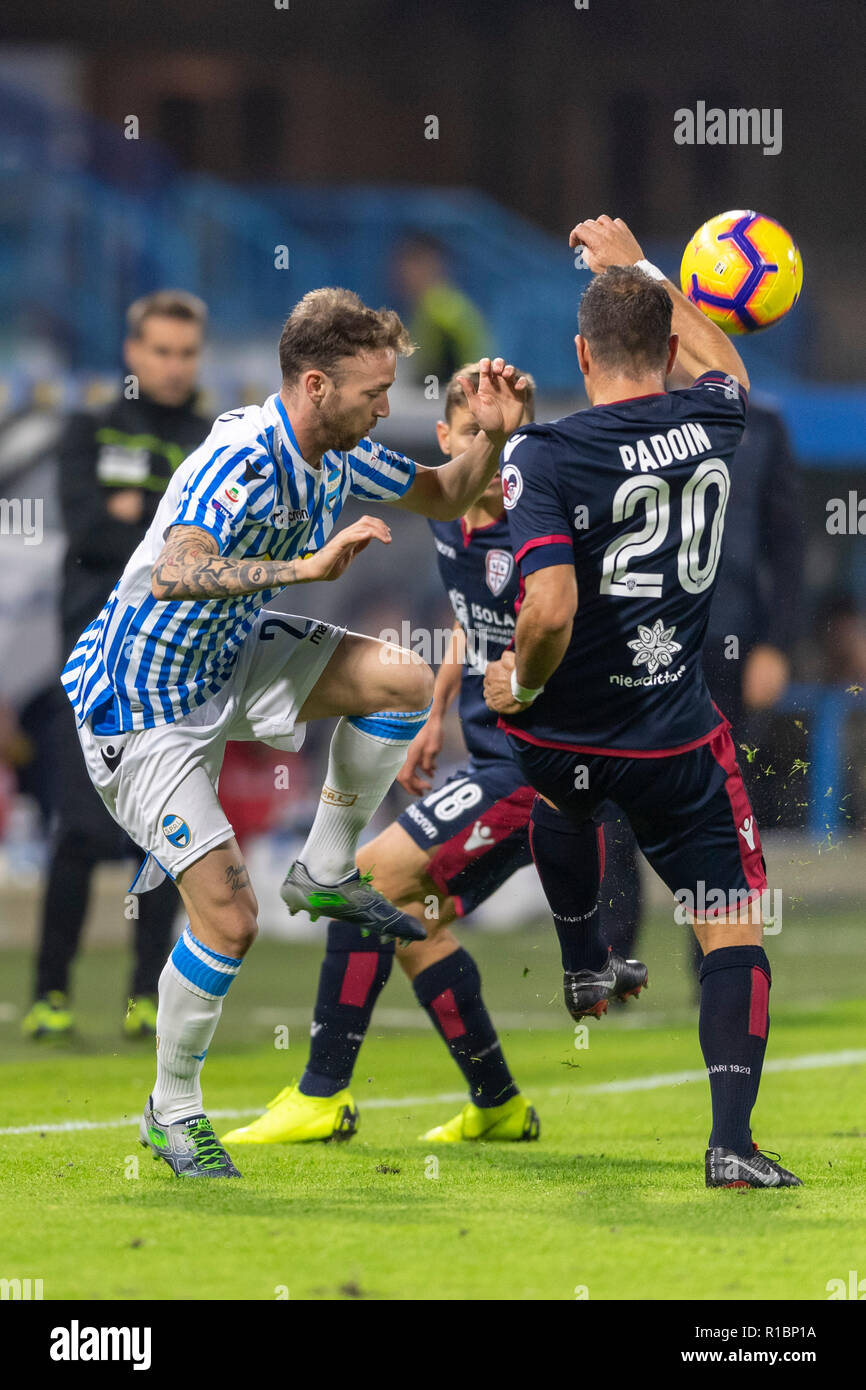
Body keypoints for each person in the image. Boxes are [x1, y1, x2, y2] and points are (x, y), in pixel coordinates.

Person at [61, 287, 528, 1177]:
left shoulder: (340, 450)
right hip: (140, 705)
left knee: (400, 676)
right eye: (373, 392)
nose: (388, 407)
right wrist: (303, 567)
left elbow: (442, 493)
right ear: (316, 385)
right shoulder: (239, 456)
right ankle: (173, 1110)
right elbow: (174, 570)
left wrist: (492, 439)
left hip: (228, 660)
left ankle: (323, 866)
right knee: (230, 921)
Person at [483, 215, 802, 1189]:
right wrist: (642, 269)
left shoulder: (542, 454)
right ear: (665, 346)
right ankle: (731, 1146)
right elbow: (724, 364)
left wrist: (519, 684)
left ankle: (583, 959)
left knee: (561, 797)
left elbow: (546, 606)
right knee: (728, 922)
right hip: (672, 734)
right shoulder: (716, 420)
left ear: (579, 352)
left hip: (564, 730)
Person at [223, 364, 581, 1149]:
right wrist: (440, 705)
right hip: (491, 755)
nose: (491, 452)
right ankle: (499, 1105)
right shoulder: (450, 516)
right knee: (411, 917)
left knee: (368, 881)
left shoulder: (544, 527)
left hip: (539, 768)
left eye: (505, 436)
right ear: (449, 443)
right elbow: (469, 614)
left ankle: (321, 1094)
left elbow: (554, 625)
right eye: (474, 435)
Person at [23, 290, 210, 1040]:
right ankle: (49, 994)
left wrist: (142, 511)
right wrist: (167, 528)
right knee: (76, 828)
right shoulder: (89, 427)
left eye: (186, 353)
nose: (172, 365)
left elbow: (202, 542)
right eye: (160, 351)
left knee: (162, 836)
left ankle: (143, 998)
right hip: (90, 664)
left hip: (171, 668)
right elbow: (90, 527)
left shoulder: (209, 438)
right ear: (133, 354)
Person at [597, 398, 805, 976]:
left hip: (727, 644)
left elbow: (787, 546)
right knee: (612, 794)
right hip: (637, 641)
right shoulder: (635, 415)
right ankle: (612, 957)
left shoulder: (762, 426)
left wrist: (778, 644)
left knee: (720, 800)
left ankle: (717, 959)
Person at [394, 235, 490, 386]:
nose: (403, 275)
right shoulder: (426, 307)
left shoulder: (442, 311)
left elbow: (438, 371)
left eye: (412, 267)